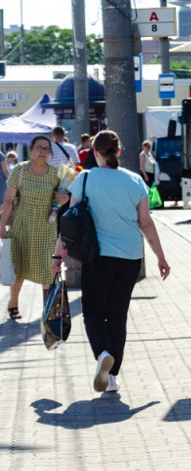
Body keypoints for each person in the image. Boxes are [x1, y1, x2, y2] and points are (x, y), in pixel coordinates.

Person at [51, 130, 170, 394]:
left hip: (97, 257)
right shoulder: (135, 181)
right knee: (117, 315)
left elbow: (70, 224)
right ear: (119, 151)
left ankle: (103, 353)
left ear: (94, 152)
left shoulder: (84, 179)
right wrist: (161, 257)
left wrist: (58, 256)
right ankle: (112, 377)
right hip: (130, 258)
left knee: (93, 312)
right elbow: (146, 223)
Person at [0, 137, 68, 321]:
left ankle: (48, 313)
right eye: (39, 148)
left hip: (46, 227)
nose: (42, 152)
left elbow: (61, 198)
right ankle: (13, 302)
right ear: (31, 150)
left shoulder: (55, 173)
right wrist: (2, 225)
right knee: (19, 270)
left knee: (47, 270)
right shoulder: (19, 170)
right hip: (21, 226)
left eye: (46, 149)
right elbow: (8, 201)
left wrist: (64, 200)